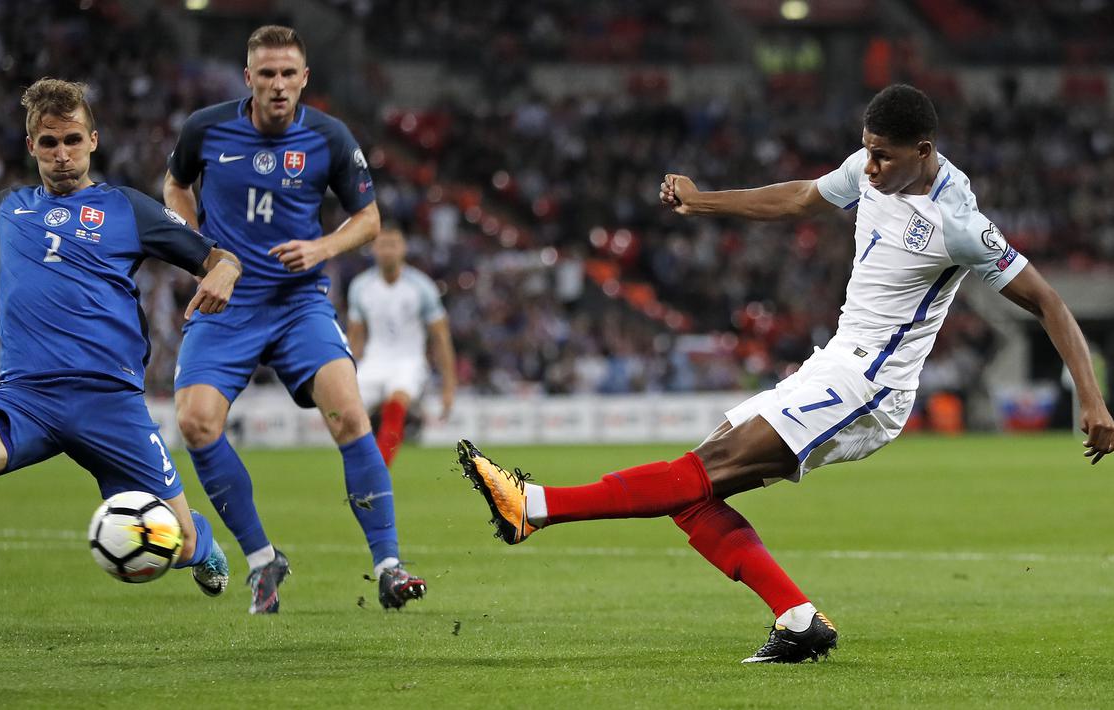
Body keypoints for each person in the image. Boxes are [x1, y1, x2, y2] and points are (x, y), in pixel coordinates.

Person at [457, 84, 1114, 663]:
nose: (870, 166)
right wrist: (702, 201)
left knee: (699, 474)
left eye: (884, 154)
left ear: (923, 149)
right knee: (693, 491)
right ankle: (797, 619)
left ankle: (533, 506)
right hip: (832, 363)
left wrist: (1091, 399)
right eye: (866, 149)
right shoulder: (868, 168)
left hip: (869, 388)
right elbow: (803, 196)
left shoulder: (958, 223)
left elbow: (1049, 301)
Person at [0, 78, 244, 605]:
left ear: (93, 140)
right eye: (49, 143)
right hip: (26, 397)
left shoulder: (128, 209)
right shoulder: (11, 207)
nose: (62, 154)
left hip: (109, 404)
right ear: (31, 147)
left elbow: (216, 255)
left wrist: (224, 273)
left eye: (72, 140)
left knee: (180, 543)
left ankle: (202, 539)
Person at [165, 25, 426, 614]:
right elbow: (175, 184)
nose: (278, 85)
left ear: (305, 78)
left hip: (298, 303)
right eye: (267, 74)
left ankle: (388, 565)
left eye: (288, 74)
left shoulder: (330, 137)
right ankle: (262, 560)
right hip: (228, 304)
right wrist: (198, 249)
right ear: (248, 78)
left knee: (351, 413)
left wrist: (323, 249)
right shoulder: (205, 129)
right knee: (196, 422)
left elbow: (369, 218)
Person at [346, 226, 457, 466]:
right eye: (382, 245)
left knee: (396, 401)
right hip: (373, 362)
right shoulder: (360, 287)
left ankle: (378, 470)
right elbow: (354, 337)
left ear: (403, 249)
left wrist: (449, 387)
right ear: (373, 249)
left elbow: (441, 337)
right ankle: (364, 463)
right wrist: (348, 373)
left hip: (409, 362)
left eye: (393, 244)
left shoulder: (422, 287)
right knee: (348, 414)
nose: (387, 251)